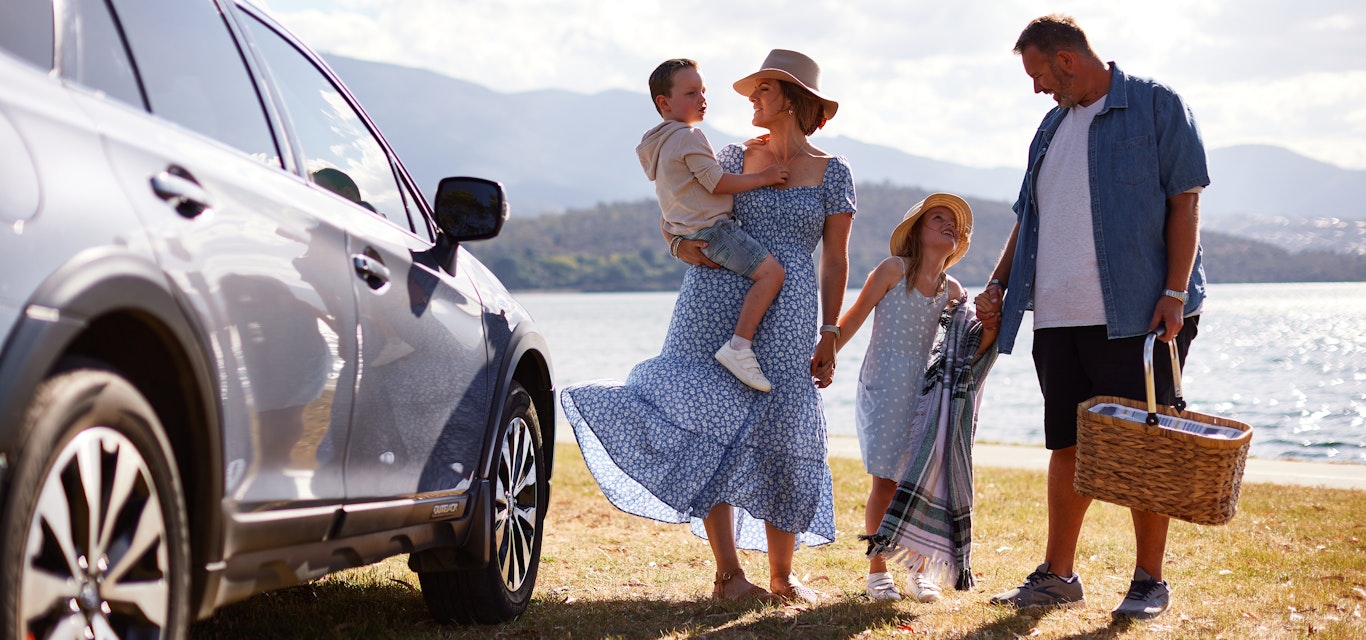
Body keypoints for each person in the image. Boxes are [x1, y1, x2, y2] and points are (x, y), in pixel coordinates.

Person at [561, 48, 854, 603]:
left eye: (762, 90)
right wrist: (679, 247)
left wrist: (832, 331)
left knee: (783, 428)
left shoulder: (833, 172)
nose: (749, 98)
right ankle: (728, 574)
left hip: (788, 312)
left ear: (791, 99)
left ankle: (782, 574)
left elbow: (836, 260)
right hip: (712, 300)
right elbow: (683, 208)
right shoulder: (729, 155)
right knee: (706, 421)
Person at [974, 14, 1210, 622]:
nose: (1037, 90)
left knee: (1146, 448)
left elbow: (1185, 204)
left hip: (1139, 313)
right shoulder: (1050, 128)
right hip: (1056, 315)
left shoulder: (1157, 106)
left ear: (1068, 60)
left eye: (1039, 75)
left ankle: (1150, 580)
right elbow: (1028, 219)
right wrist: (999, 285)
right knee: (1066, 446)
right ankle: (1058, 575)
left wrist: (1175, 292)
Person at [831, 193, 996, 603]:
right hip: (883, 387)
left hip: (926, 395)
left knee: (918, 481)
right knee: (885, 483)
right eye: (936, 218)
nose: (947, 225)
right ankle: (877, 572)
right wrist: (827, 353)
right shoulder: (892, 270)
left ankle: (920, 572)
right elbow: (854, 316)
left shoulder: (954, 290)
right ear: (917, 231)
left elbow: (965, 346)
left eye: (952, 223)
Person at [638, 59, 789, 392]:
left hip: (688, 231)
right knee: (772, 274)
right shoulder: (690, 136)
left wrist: (742, 148)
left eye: (703, 90)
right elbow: (716, 182)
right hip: (715, 232)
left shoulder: (662, 143)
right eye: (692, 93)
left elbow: (694, 178)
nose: (703, 98)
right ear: (664, 103)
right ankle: (739, 346)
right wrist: (763, 176)